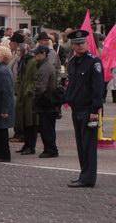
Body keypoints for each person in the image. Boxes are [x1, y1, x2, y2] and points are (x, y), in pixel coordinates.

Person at [64, 29, 105, 188]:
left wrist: (95, 110)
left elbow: (98, 88)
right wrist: (66, 98)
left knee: (88, 145)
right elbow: (72, 84)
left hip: (89, 110)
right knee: (81, 145)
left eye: (82, 43)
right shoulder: (73, 62)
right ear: (73, 46)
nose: (80, 46)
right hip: (77, 108)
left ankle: (88, 178)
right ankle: (84, 174)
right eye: (77, 44)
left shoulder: (94, 62)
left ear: (87, 44)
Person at [32, 45, 59, 158]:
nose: (35, 56)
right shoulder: (44, 66)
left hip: (46, 102)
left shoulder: (45, 68)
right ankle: (50, 148)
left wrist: (34, 94)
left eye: (37, 54)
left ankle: (50, 150)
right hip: (47, 101)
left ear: (43, 53)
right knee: (47, 127)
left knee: (46, 128)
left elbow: (41, 88)